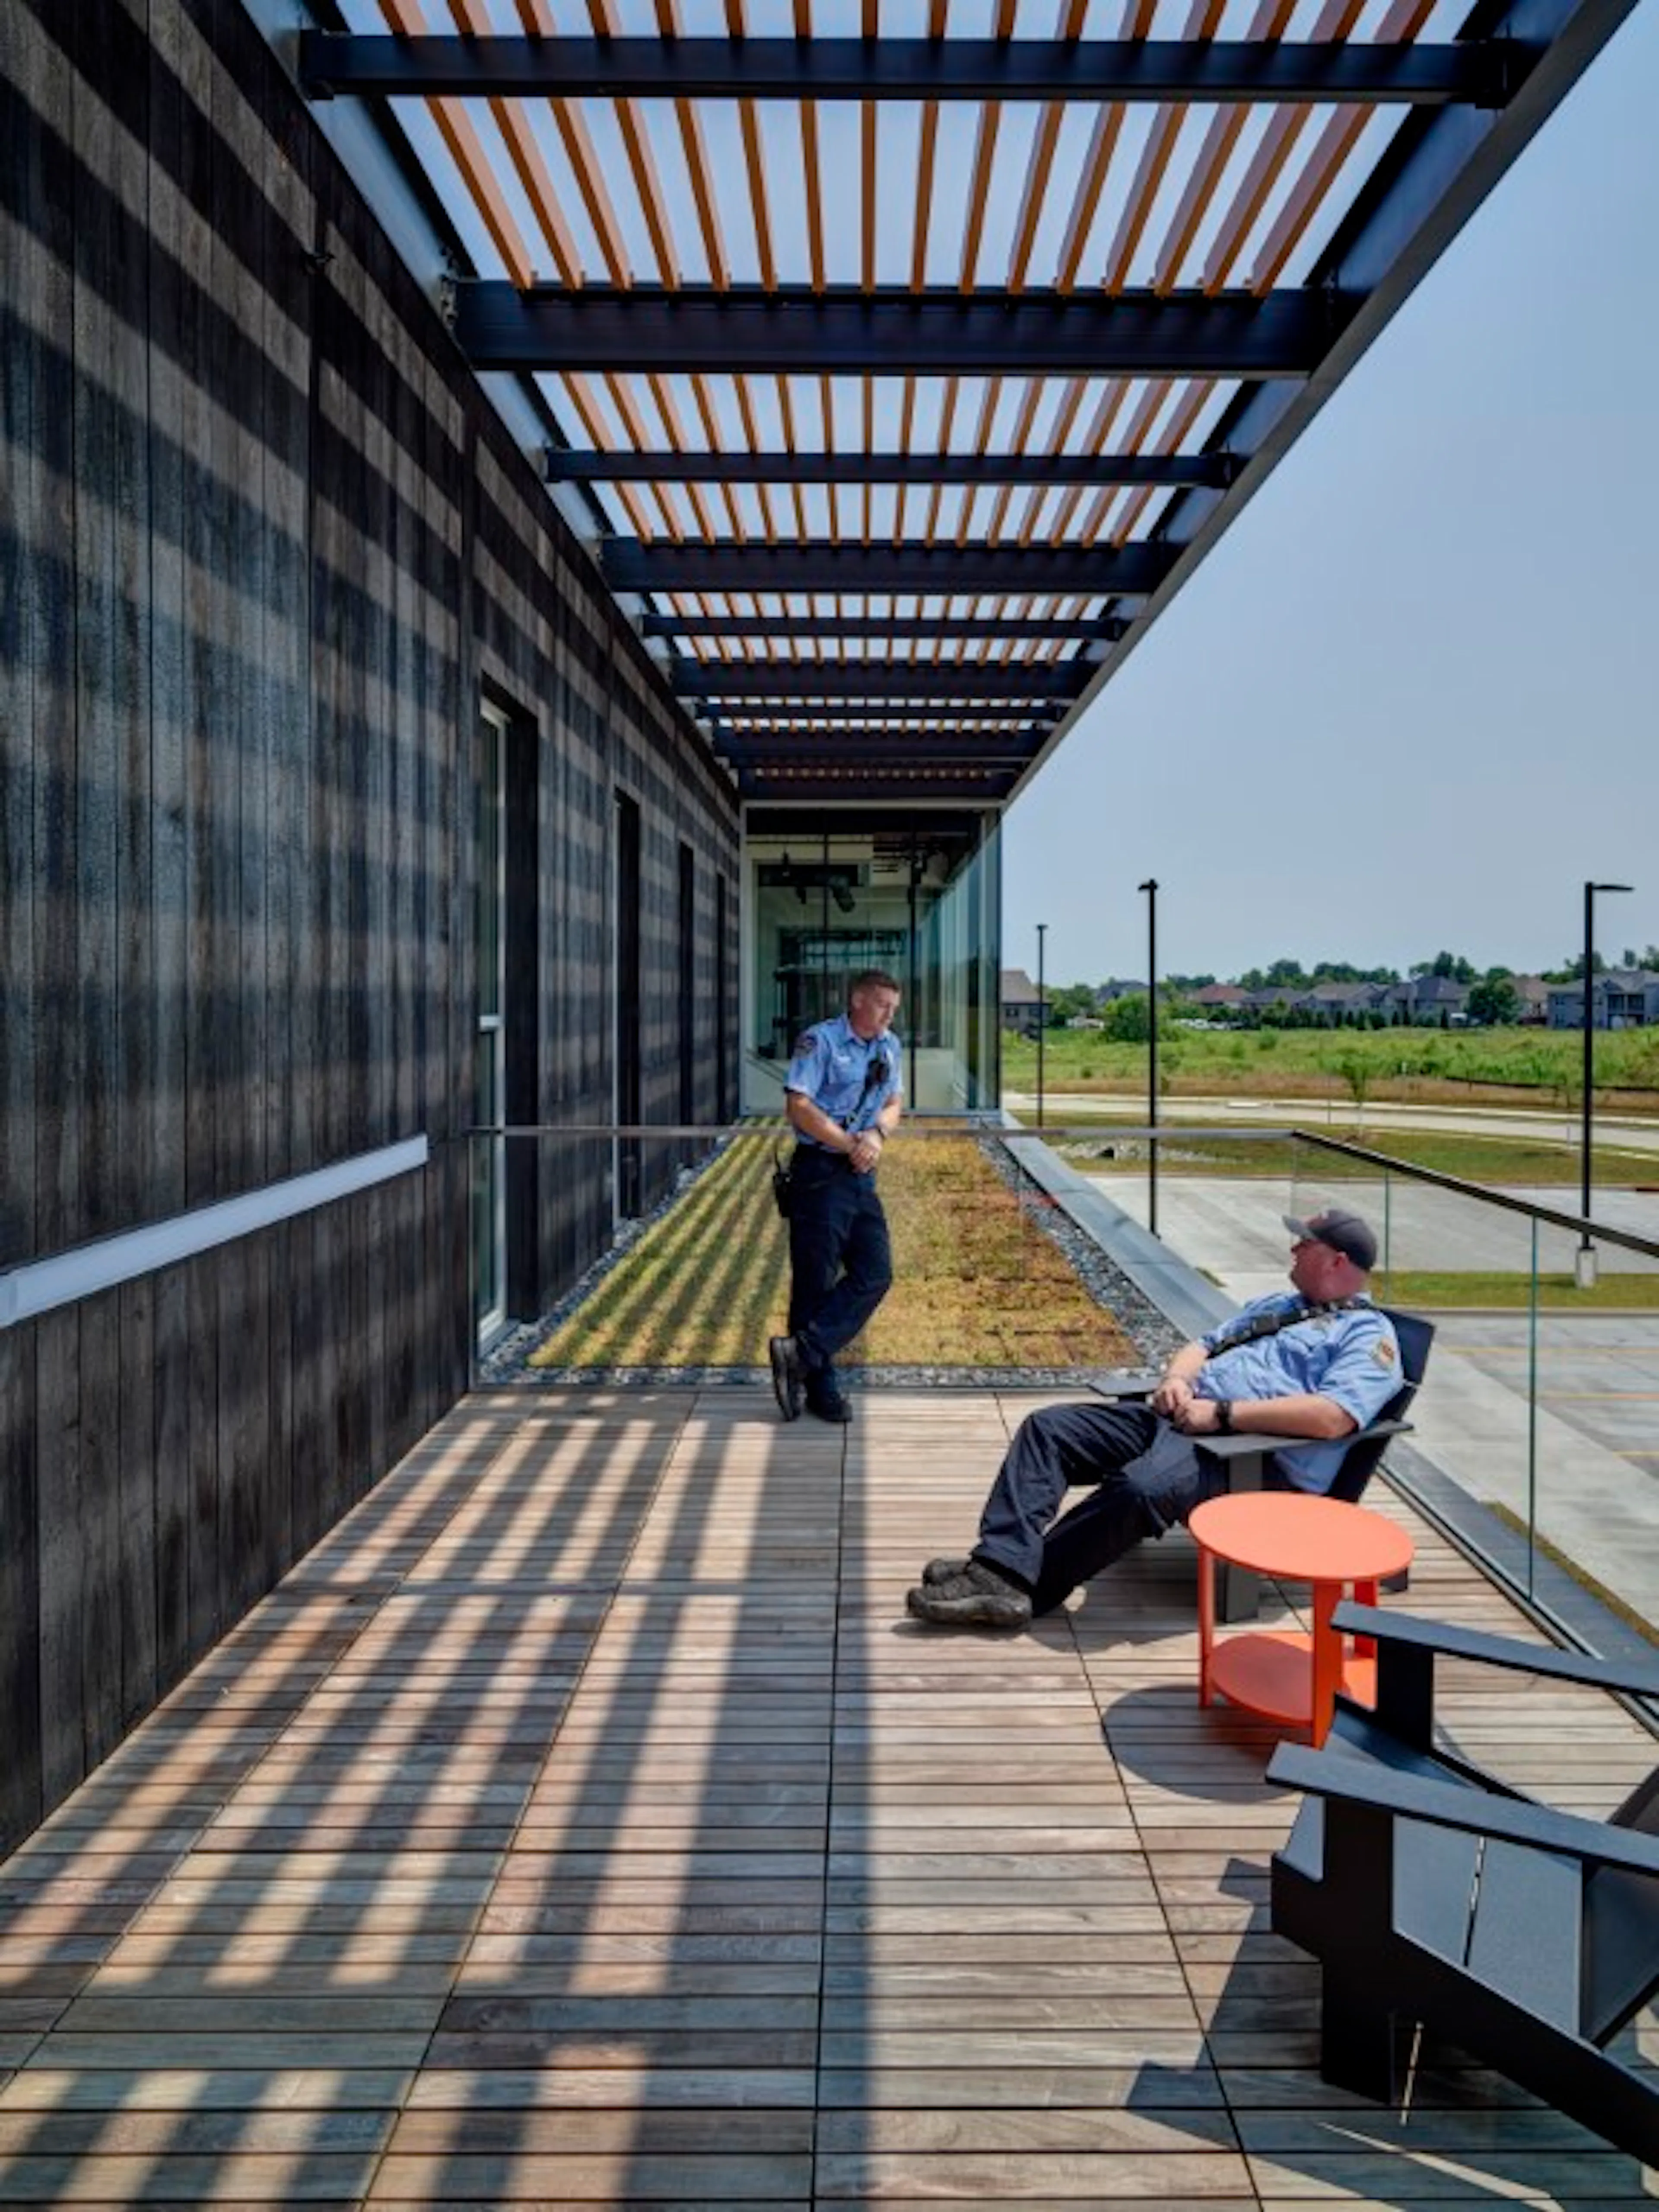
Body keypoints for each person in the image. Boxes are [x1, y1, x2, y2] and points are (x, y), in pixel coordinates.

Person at [905, 1207, 1401, 1627]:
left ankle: (1021, 1582)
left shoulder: (1367, 1336)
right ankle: (1001, 1561)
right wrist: (1176, 1381)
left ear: (1337, 1259)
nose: (1293, 1249)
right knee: (1049, 1427)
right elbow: (1203, 1345)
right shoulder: (1281, 1305)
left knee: (1141, 1488)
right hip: (1179, 1420)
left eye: (1304, 1243)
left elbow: (1333, 1417)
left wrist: (1224, 1414)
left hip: (1246, 1457)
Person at [769, 969, 904, 1425]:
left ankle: (800, 1353)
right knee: (815, 1279)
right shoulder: (820, 1040)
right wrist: (850, 1143)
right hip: (821, 1171)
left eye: (894, 1007)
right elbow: (799, 1105)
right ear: (858, 1001)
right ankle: (819, 1386)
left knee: (875, 1272)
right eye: (883, 1004)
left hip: (861, 1173)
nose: (890, 1014)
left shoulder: (890, 1045)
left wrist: (878, 1135)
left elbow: (894, 1101)